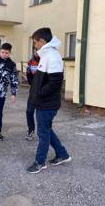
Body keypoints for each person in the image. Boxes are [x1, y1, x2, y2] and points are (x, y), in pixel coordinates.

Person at [26, 28, 71, 174]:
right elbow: (42, 80)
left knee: (43, 133)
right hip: (43, 102)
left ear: (42, 41)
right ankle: (62, 154)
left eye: (35, 42)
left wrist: (39, 94)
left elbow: (55, 83)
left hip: (47, 103)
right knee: (46, 130)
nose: (34, 45)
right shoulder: (46, 55)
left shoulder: (52, 56)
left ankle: (40, 162)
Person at [25, 51, 40, 141]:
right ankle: (31, 130)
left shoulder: (47, 60)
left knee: (42, 114)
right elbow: (29, 74)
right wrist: (33, 84)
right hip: (33, 91)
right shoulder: (31, 61)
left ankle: (46, 132)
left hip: (44, 92)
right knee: (29, 111)